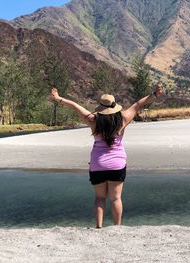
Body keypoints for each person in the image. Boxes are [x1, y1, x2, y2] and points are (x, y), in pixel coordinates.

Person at [50, 83, 163, 228]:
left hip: (98, 164)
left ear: (101, 108)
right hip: (117, 164)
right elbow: (138, 104)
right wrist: (154, 95)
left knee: (99, 198)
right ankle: (117, 227)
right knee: (115, 198)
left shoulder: (93, 120)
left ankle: (99, 227)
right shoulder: (123, 120)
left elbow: (75, 106)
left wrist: (58, 98)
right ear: (114, 106)